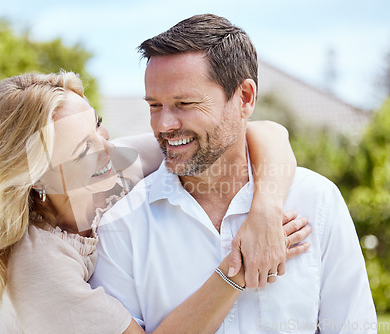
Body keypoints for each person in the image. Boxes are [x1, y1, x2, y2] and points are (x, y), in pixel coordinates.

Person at [0, 71, 309, 334]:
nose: (107, 146)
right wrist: (237, 270)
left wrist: (264, 210)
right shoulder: (40, 271)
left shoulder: (108, 167)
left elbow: (258, 132)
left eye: (96, 124)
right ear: (36, 180)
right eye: (84, 149)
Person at [90, 14, 377, 333]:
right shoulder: (120, 227)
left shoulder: (317, 202)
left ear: (245, 98)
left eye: (184, 103)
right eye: (154, 106)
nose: (163, 125)